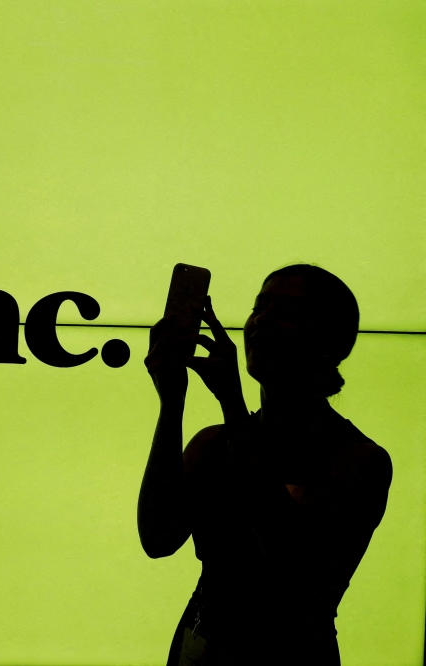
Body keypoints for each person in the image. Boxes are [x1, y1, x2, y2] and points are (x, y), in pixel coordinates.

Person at [139, 264, 393, 666]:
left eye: (288, 312)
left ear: (331, 340)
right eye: (260, 307)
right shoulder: (215, 441)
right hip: (199, 644)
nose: (261, 322)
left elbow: (289, 565)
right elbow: (158, 536)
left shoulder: (359, 460)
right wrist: (172, 401)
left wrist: (232, 404)